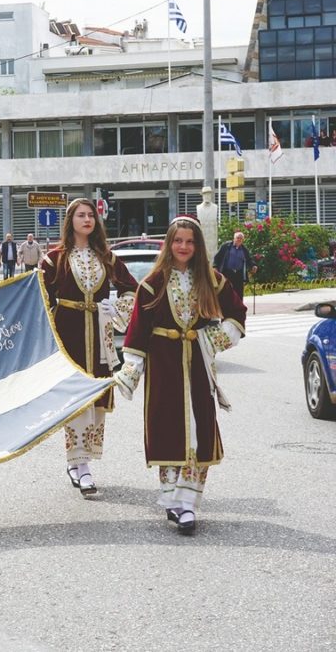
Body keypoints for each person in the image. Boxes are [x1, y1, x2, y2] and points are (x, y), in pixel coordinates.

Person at [114, 216, 247, 535]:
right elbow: (137, 331)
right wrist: (131, 370)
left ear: (198, 246)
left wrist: (215, 340)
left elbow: (236, 312)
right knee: (167, 424)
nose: (184, 246)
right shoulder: (153, 284)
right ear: (168, 244)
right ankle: (172, 499)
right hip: (163, 364)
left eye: (190, 241)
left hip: (198, 363)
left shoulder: (212, 280)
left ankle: (188, 503)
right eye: (178, 241)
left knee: (200, 425)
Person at [40, 198, 138, 496]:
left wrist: (114, 307)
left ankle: (84, 462)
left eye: (91, 215)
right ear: (70, 221)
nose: (87, 220)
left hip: (100, 339)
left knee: (95, 402)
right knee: (75, 400)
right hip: (68, 338)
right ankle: (79, 464)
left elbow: (132, 289)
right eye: (81, 215)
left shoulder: (107, 257)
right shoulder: (54, 259)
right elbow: (39, 301)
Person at [212, 231, 258, 299]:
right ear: (234, 238)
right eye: (237, 238)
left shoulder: (244, 249)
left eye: (241, 238)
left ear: (243, 240)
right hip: (227, 272)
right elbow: (217, 257)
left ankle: (238, 308)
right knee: (226, 292)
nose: (239, 239)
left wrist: (253, 266)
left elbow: (249, 259)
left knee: (239, 293)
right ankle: (226, 308)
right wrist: (215, 267)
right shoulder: (226, 246)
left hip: (238, 274)